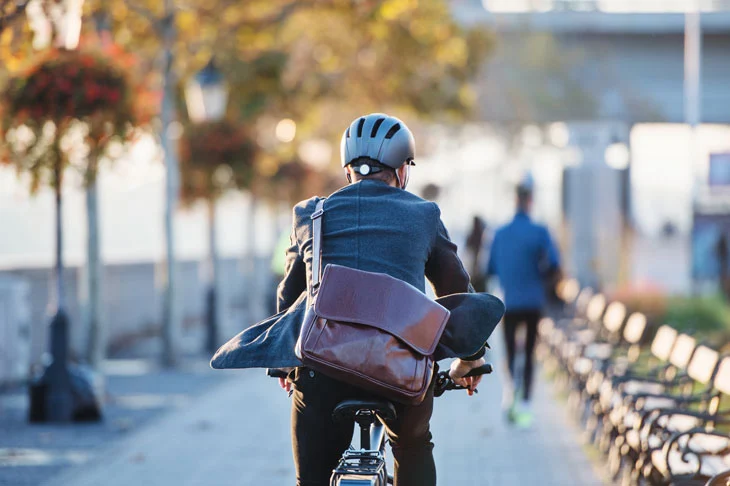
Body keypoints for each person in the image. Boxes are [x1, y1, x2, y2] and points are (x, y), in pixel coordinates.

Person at [276, 114, 494, 486]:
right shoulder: (424, 215)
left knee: (311, 478)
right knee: (412, 446)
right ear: (403, 171)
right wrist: (469, 360)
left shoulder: (310, 213)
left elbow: (289, 297)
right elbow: (457, 293)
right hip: (401, 369)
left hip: (322, 371)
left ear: (348, 171)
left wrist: (285, 365)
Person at [486, 175, 561, 428]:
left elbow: (491, 268)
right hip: (533, 301)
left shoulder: (500, 233)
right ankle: (526, 402)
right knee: (529, 352)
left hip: (508, 302)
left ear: (515, 200)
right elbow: (553, 264)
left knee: (508, 351)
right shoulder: (540, 232)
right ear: (530, 201)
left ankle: (510, 394)